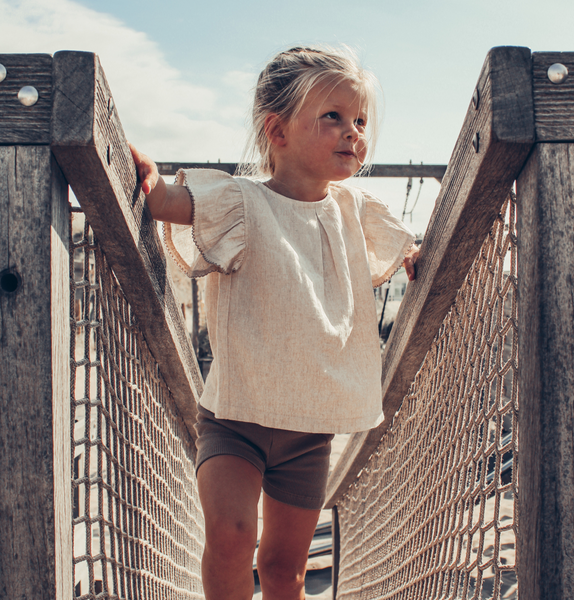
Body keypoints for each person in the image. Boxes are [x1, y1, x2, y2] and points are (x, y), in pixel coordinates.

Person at [130, 45, 419, 600]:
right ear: (277, 130)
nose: (353, 132)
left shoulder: (355, 210)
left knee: (286, 568)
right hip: (237, 416)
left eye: (360, 120)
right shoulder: (240, 203)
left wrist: (419, 256)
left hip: (310, 430)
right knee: (233, 536)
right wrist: (145, 177)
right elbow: (166, 201)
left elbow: (410, 253)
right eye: (332, 116)